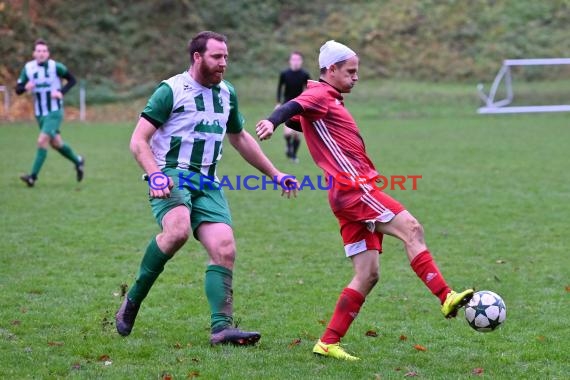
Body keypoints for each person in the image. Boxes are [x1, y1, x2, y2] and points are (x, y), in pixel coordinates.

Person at [256, 40, 474, 360]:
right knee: (411, 229)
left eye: (357, 71)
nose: (356, 77)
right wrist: (273, 121)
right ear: (331, 70)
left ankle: (328, 342)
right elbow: (293, 107)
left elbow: (300, 117)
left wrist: (297, 123)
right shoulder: (318, 93)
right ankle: (445, 295)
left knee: (368, 273)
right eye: (350, 71)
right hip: (355, 189)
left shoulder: (328, 98)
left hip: (345, 194)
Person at [116, 31, 297, 346]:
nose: (223, 63)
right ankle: (133, 299)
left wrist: (275, 173)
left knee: (225, 249)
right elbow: (138, 140)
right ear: (197, 57)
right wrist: (156, 175)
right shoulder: (171, 90)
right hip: (173, 174)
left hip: (209, 181)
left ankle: (221, 328)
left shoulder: (227, 93)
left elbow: (239, 137)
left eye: (226, 57)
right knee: (176, 232)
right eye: (217, 56)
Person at [16, 39, 84, 187]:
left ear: (48, 53)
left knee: (42, 141)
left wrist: (61, 92)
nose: (41, 53)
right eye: (38, 51)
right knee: (56, 143)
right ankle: (78, 161)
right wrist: (25, 87)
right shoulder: (28, 68)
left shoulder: (55, 67)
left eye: (44, 51)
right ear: (34, 53)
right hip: (40, 114)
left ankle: (32, 177)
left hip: (54, 111)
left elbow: (72, 80)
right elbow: (18, 89)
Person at [276, 51, 310, 163]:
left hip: (299, 105)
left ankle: (294, 156)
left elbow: (310, 89)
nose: (295, 62)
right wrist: (278, 103)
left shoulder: (305, 75)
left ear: (301, 61)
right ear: (290, 61)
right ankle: (288, 146)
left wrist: (309, 102)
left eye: (298, 60)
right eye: (293, 59)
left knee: (296, 135)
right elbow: (280, 88)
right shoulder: (284, 74)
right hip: (286, 105)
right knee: (287, 133)